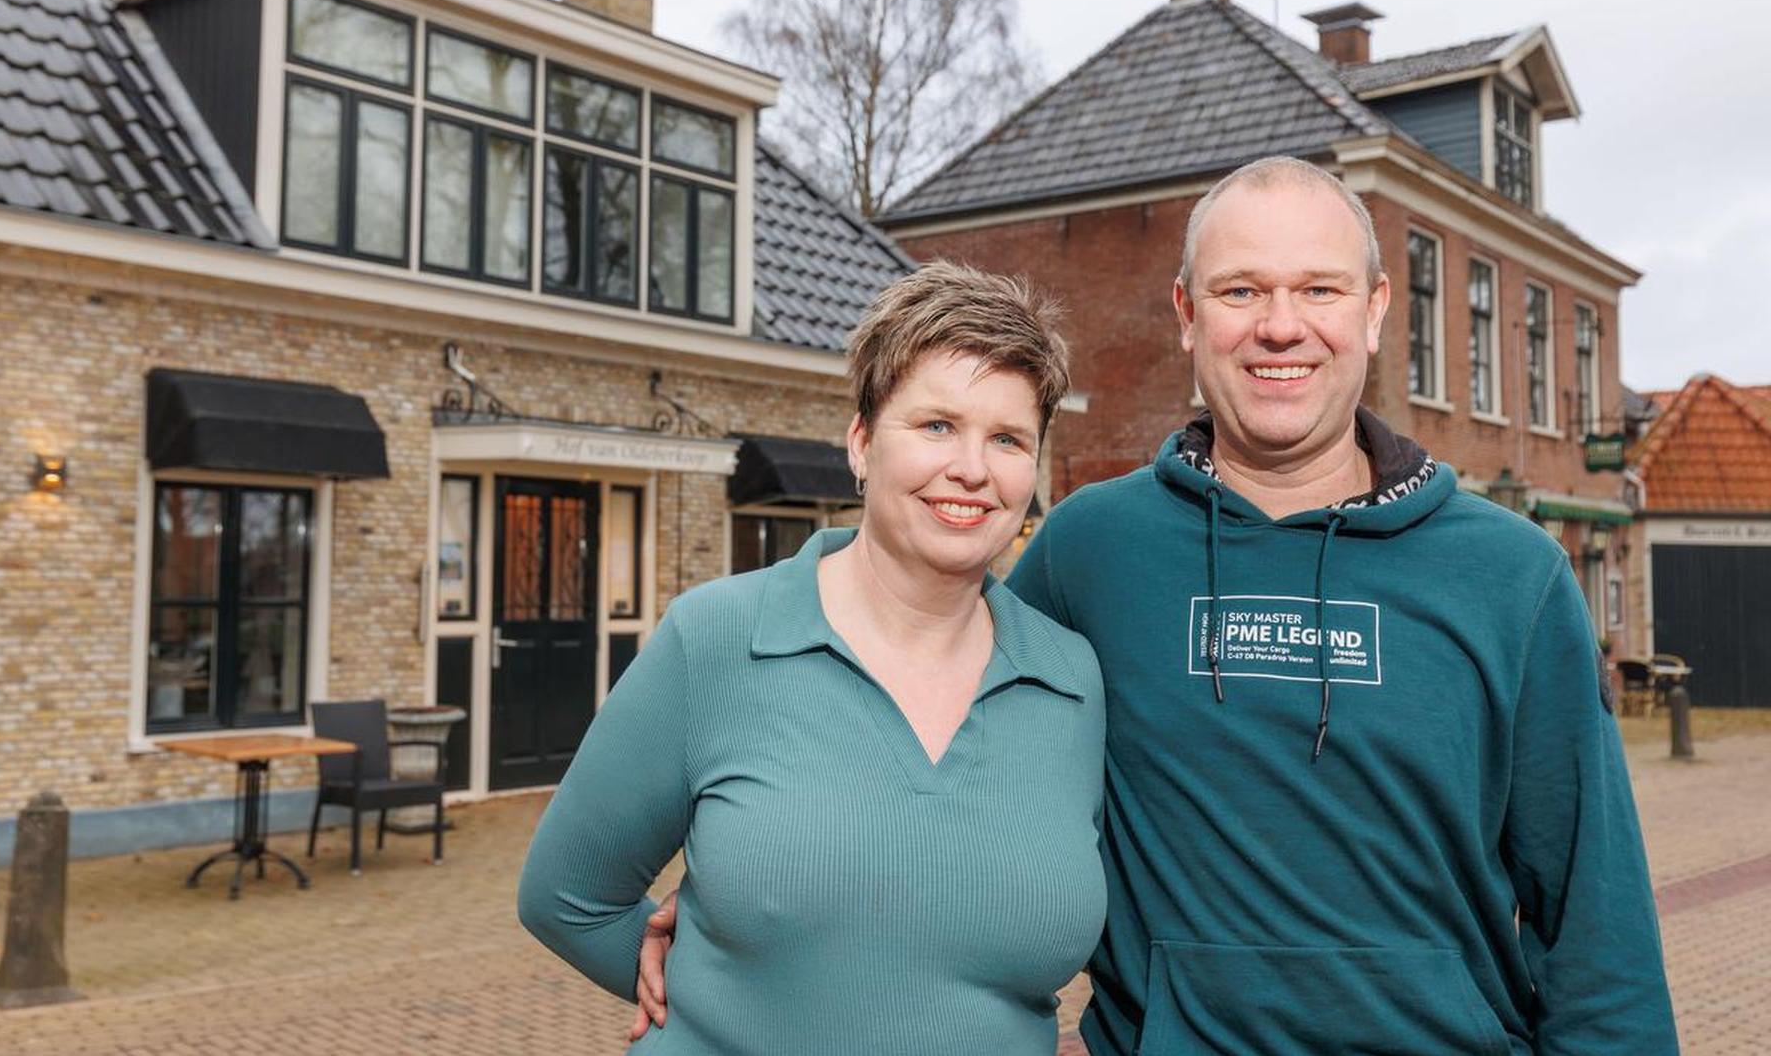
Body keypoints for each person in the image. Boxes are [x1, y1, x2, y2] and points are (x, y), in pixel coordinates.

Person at [637, 157, 1678, 1054]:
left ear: (1372, 313)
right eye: (1240, 290)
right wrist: (765, 863)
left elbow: (1598, 928)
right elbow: (937, 708)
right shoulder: (1094, 550)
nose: (1281, 325)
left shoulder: (1514, 576)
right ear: (1186, 313)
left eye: (1318, 289)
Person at [518, 261, 1106, 1054]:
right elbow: (566, 896)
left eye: (1006, 439)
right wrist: (697, 990)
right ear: (861, 442)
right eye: (936, 425)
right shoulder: (717, 637)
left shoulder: (1071, 680)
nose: (971, 467)